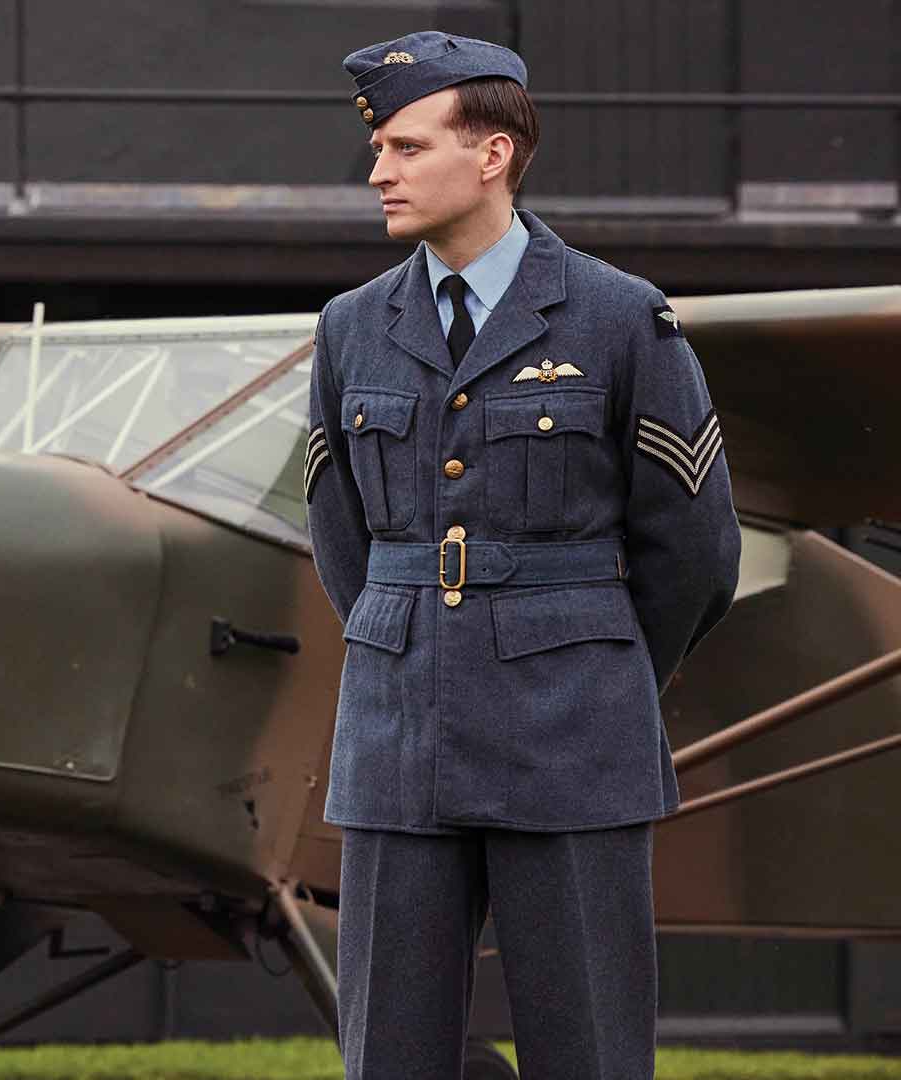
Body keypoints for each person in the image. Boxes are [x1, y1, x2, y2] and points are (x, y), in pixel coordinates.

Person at [303, 31, 741, 1080]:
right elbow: (343, 544)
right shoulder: (350, 328)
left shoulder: (620, 318)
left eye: (407, 148)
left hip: (573, 741)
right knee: (391, 1057)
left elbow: (694, 550)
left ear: (491, 154)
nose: (379, 174)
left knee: (585, 1052)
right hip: (398, 742)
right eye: (379, 152)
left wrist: (593, 668)